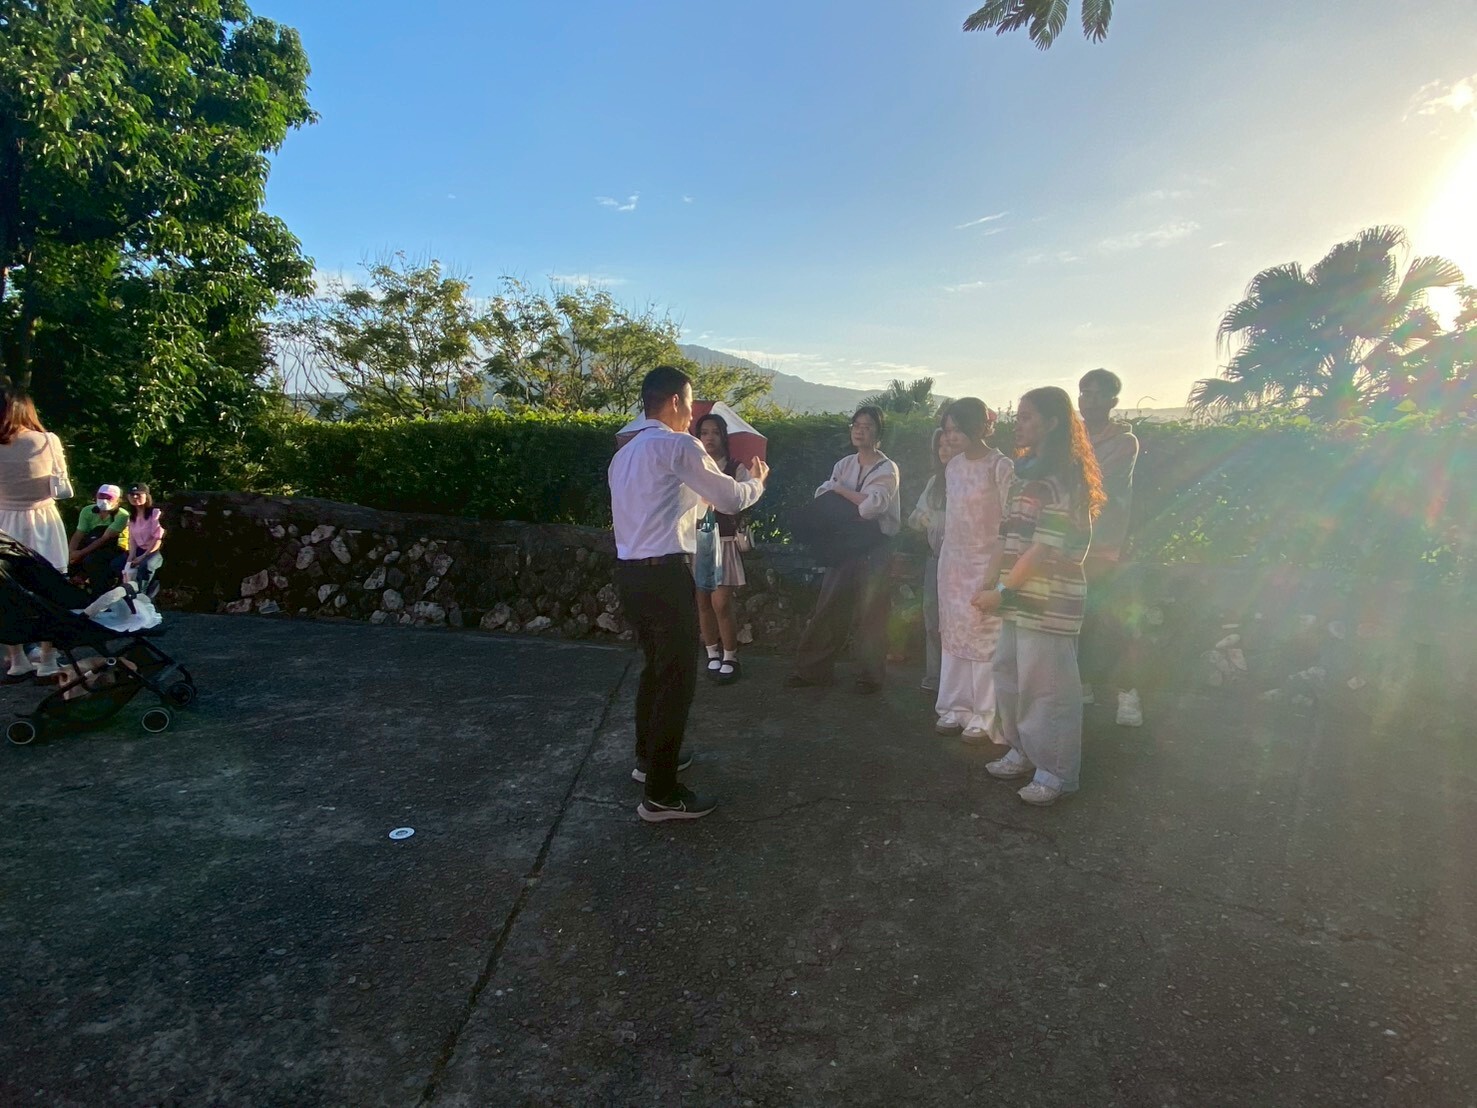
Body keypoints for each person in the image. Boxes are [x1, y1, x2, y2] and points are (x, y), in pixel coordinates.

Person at [610, 366, 769, 822]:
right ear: (677, 401)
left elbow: (668, 506)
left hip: (630, 573)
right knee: (676, 680)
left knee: (654, 670)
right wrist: (757, 482)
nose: (692, 417)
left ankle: (649, 760)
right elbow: (732, 498)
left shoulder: (625, 454)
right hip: (665, 576)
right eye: (691, 404)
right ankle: (661, 795)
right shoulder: (678, 445)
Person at [974, 386, 1104, 806]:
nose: (1018, 423)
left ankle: (1056, 771)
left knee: (1047, 688)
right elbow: (1006, 535)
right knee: (1009, 676)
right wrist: (989, 582)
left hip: (1049, 600)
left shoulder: (1063, 479)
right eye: (1019, 415)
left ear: (1052, 423)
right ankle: (1023, 751)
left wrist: (1000, 590)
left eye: (1027, 416)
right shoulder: (1024, 474)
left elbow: (1043, 548)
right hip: (1018, 596)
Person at [786, 405, 901, 694]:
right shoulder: (844, 464)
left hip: (875, 545)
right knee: (829, 604)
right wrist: (851, 497)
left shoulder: (888, 468)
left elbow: (872, 508)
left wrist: (840, 491)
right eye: (856, 425)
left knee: (872, 611)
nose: (860, 430)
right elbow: (821, 495)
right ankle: (813, 670)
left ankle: (870, 676)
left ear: (878, 432)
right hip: (845, 542)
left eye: (867, 426)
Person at [933, 398, 1015, 742]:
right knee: (954, 633)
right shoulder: (953, 466)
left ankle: (985, 713)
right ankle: (955, 707)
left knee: (984, 636)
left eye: (957, 429)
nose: (950, 436)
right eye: (947, 429)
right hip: (953, 563)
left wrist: (996, 572)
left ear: (979, 426)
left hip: (986, 563)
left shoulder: (1001, 466)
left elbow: (1011, 522)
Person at [1077, 368, 1144, 726]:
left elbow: (1092, 479)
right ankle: (1083, 685)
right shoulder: (1073, 436)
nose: (1086, 400)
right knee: (1080, 618)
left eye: (1095, 394)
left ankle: (1128, 695)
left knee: (1117, 623)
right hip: (1076, 545)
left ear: (1112, 401)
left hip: (1109, 547)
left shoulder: (1124, 442)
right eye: (1083, 393)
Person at [0, 389, 70, 679]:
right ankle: (48, 659)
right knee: (50, 589)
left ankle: (17, 660)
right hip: (42, 520)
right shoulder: (47, 442)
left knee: (6, 592)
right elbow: (61, 487)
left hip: (4, 521)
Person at [694, 412, 751, 685]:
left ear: (724, 436)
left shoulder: (736, 468)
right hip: (699, 540)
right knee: (703, 601)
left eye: (715, 432)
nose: (709, 438)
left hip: (725, 541)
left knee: (721, 602)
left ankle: (731, 655)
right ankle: (711, 652)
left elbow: (744, 499)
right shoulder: (692, 468)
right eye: (704, 433)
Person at [908, 426, 957, 694]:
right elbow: (914, 517)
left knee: (958, 620)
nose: (944, 450)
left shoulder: (971, 478)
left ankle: (954, 679)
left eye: (949, 444)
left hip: (962, 563)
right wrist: (923, 518)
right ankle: (935, 676)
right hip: (935, 560)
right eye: (940, 445)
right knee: (932, 617)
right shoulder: (935, 482)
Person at [69, 484, 129, 592]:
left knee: (92, 561)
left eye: (109, 497)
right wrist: (71, 552)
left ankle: (99, 592)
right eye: (101, 496)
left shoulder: (122, 515)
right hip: (91, 543)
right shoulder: (87, 511)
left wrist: (81, 553)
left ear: (117, 500)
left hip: (115, 547)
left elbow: (105, 538)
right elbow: (79, 533)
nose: (104, 500)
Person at [117, 484, 165, 596]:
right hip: (139, 549)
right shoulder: (132, 516)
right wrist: (131, 556)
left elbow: (158, 538)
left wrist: (143, 557)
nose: (134, 497)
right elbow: (132, 538)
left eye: (138, 494)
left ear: (146, 496)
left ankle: (143, 595)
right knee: (117, 564)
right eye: (132, 495)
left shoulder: (155, 513)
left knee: (146, 566)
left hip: (155, 550)